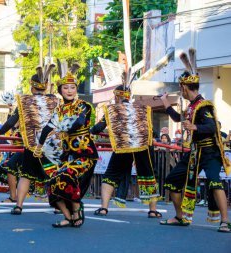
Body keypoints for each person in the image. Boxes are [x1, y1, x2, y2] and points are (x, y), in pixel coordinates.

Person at [159, 48, 230, 232]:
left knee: (214, 182)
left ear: (184, 87)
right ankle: (180, 217)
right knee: (172, 181)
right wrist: (166, 103)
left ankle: (224, 221)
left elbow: (214, 127)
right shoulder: (191, 107)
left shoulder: (204, 105)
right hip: (194, 152)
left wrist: (195, 127)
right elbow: (178, 119)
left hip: (209, 151)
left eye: (180, 88)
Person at [35, 61, 98, 228]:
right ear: (60, 91)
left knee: (65, 176)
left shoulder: (84, 106)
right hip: (67, 155)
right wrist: (39, 147)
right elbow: (46, 128)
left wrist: (65, 128)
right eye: (66, 88)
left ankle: (77, 208)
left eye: (72, 88)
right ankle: (67, 216)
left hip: (85, 154)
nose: (70, 91)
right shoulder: (59, 110)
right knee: (53, 182)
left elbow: (79, 122)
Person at [0, 64, 57, 215]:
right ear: (45, 87)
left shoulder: (24, 101)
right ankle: (58, 206)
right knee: (53, 175)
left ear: (32, 87)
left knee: (26, 176)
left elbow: (11, 121)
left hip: (31, 145)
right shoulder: (54, 100)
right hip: (50, 146)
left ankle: (19, 205)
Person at [91, 84, 160, 218]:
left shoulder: (113, 110)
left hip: (124, 145)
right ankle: (153, 210)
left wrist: (90, 131)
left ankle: (104, 208)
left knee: (111, 174)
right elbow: (152, 131)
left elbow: (99, 127)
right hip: (143, 145)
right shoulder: (142, 109)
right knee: (149, 175)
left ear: (116, 96)